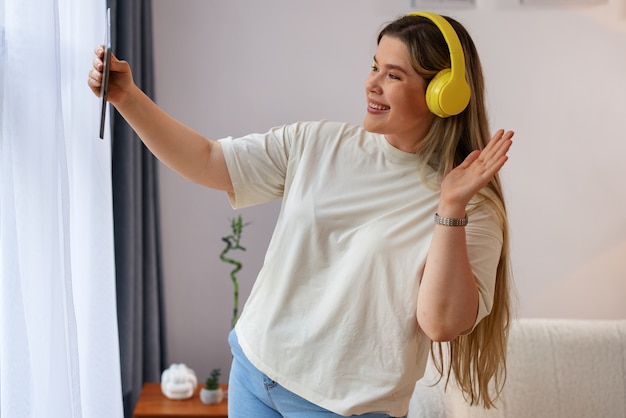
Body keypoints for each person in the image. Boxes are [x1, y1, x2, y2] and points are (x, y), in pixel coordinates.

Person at [88, 11, 513, 418]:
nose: (372, 84)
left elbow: (439, 324)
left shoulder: (471, 206)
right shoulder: (318, 143)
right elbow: (208, 159)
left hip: (344, 408)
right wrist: (128, 97)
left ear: (445, 94)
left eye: (394, 75)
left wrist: (450, 208)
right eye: (374, 66)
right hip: (255, 374)